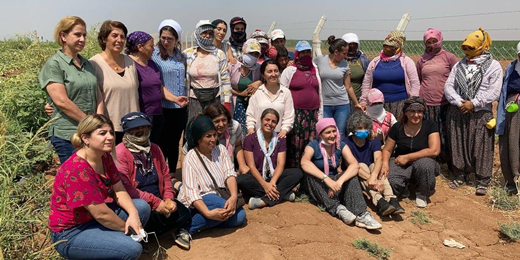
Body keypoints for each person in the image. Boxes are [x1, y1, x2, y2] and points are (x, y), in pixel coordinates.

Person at [49, 114, 150, 260]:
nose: (109, 137)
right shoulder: (77, 169)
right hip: (71, 232)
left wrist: (133, 215)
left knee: (141, 207)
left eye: (110, 132)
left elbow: (119, 189)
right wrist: (129, 230)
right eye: (102, 133)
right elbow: (101, 214)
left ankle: (110, 246)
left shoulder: (104, 156)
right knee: (131, 249)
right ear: (85, 138)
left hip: (92, 219)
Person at [115, 112, 192, 250]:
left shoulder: (155, 149)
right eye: (135, 129)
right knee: (146, 215)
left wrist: (168, 198)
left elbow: (166, 176)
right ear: (126, 131)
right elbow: (127, 189)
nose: (140, 132)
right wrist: (156, 203)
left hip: (160, 200)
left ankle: (148, 234)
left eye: (144, 128)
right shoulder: (120, 153)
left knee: (183, 212)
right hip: (139, 204)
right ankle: (146, 234)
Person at [445, 28, 503, 196]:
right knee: (458, 143)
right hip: (459, 109)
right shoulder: (459, 64)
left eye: (471, 48)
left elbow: (494, 91)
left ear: (483, 46)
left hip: (480, 112)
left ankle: (482, 179)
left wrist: (474, 103)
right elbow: (449, 86)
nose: (468, 52)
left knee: (481, 145)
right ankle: (460, 174)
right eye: (466, 48)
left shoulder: (493, 66)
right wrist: (459, 102)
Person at [39, 16, 104, 163]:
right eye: (77, 34)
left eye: (84, 35)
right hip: (68, 134)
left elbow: (98, 95)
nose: (82, 39)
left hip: (91, 133)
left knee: (93, 176)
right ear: (63, 36)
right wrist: (90, 124)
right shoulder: (54, 64)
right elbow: (61, 101)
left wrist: (100, 123)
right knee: (76, 178)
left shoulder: (87, 64)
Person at [301, 118, 382, 229]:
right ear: (320, 134)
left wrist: (339, 182)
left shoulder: (341, 145)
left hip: (335, 182)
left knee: (351, 175)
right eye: (328, 132)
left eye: (334, 131)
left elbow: (354, 165)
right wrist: (326, 179)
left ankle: (361, 214)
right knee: (310, 174)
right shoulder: (313, 146)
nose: (332, 135)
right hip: (320, 182)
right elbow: (304, 162)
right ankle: (338, 208)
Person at [178, 115, 246, 235]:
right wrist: (207, 213)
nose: (213, 139)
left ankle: (206, 222)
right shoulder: (190, 158)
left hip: (220, 194)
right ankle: (187, 228)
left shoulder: (221, 150)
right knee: (223, 207)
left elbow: (229, 174)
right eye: (208, 136)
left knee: (240, 216)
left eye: (214, 135)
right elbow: (192, 194)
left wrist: (234, 196)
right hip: (201, 199)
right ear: (199, 138)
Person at [237, 109, 303, 209]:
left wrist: (272, 183)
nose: (270, 123)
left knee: (297, 173)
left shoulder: (280, 139)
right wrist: (264, 185)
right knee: (241, 180)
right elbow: (251, 166)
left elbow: (281, 164)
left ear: (277, 124)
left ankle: (263, 201)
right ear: (261, 120)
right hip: (257, 177)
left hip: (274, 177)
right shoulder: (250, 138)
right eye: (267, 120)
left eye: (274, 121)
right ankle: (282, 194)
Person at [381, 97, 440, 208]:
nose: (416, 115)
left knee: (426, 165)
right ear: (406, 112)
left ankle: (421, 193)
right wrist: (384, 164)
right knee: (390, 181)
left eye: (419, 112)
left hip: (421, 162)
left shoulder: (430, 125)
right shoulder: (397, 127)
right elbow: (388, 149)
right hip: (400, 163)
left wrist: (408, 157)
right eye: (412, 111)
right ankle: (404, 188)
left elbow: (434, 150)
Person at [344, 112, 404, 216]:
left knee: (375, 166)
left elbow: (378, 158)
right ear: (352, 128)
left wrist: (374, 177)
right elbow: (353, 165)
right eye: (359, 128)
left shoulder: (373, 140)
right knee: (361, 165)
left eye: (365, 128)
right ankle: (379, 201)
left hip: (371, 172)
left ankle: (391, 198)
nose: (363, 131)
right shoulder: (346, 142)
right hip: (356, 172)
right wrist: (372, 179)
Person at [90, 20, 139, 145]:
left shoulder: (130, 62)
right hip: (109, 129)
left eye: (122, 37)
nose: (119, 40)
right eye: (114, 35)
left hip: (133, 127)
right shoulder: (94, 64)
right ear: (104, 38)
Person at [152, 19, 189, 173]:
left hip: (179, 108)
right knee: (160, 142)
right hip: (162, 107)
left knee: (174, 142)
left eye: (170, 39)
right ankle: (160, 174)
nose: (166, 42)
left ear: (177, 40)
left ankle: (172, 174)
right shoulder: (154, 55)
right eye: (163, 38)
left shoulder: (181, 56)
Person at [416, 28, 458, 163]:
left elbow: (457, 78)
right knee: (431, 133)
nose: (432, 44)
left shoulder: (449, 57)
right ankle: (434, 160)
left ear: (440, 40)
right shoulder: (421, 60)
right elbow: (419, 79)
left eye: (434, 41)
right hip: (427, 103)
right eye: (429, 42)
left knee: (447, 132)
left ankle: (448, 161)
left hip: (445, 102)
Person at [360, 30, 420, 121]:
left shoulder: (406, 62)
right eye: (385, 47)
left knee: (398, 129)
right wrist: (364, 101)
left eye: (391, 48)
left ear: (398, 48)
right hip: (376, 104)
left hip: (400, 104)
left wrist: (413, 102)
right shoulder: (375, 62)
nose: (387, 50)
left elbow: (414, 83)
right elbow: (366, 83)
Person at [280, 40, 323, 168]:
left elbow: (319, 91)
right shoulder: (290, 70)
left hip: (313, 115)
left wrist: (320, 113)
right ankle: (294, 172)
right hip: (296, 114)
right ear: (297, 54)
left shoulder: (314, 69)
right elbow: (283, 92)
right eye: (302, 52)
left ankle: (309, 172)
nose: (305, 55)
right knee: (295, 144)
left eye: (308, 52)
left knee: (311, 144)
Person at [181, 103, 249, 174]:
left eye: (224, 120)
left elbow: (238, 145)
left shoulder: (234, 127)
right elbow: (185, 153)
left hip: (228, 168)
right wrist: (186, 175)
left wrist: (242, 165)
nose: (221, 124)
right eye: (217, 121)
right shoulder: (200, 131)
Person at [184, 20, 231, 121]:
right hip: (194, 100)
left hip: (215, 98)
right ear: (197, 34)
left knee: (213, 129)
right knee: (195, 128)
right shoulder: (187, 54)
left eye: (210, 33)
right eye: (204, 33)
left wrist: (227, 102)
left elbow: (225, 79)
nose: (207, 36)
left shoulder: (219, 54)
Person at [314, 35, 361, 138]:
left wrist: (356, 103)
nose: (346, 55)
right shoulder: (319, 60)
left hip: (342, 104)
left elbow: (348, 86)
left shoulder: (344, 65)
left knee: (340, 133)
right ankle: (326, 154)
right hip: (325, 105)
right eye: (344, 53)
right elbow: (308, 68)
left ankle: (339, 153)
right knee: (325, 132)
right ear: (336, 52)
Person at [125, 31, 164, 146]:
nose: (154, 49)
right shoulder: (129, 64)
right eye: (151, 46)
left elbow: (159, 86)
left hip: (157, 113)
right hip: (143, 116)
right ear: (140, 47)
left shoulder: (151, 63)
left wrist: (175, 99)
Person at [246, 60, 295, 138]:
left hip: (279, 137)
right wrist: (251, 129)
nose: (273, 74)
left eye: (276, 71)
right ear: (263, 75)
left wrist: (284, 131)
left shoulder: (286, 92)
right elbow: (250, 114)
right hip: (258, 136)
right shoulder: (257, 92)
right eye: (269, 71)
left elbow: (289, 116)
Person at [497, 41, 520, 195]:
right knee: (511, 143)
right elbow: (504, 91)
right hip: (512, 111)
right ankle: (512, 181)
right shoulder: (512, 68)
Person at [228, 38, 262, 134]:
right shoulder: (233, 66)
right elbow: (225, 86)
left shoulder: (258, 69)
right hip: (234, 104)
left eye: (256, 54)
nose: (254, 57)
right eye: (251, 53)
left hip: (251, 106)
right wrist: (240, 93)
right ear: (245, 51)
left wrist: (259, 82)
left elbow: (267, 82)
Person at [341, 33, 369, 111]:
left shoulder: (363, 60)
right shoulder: (338, 59)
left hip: (358, 100)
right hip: (340, 100)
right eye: (350, 45)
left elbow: (368, 80)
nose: (352, 47)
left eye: (355, 44)